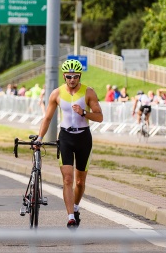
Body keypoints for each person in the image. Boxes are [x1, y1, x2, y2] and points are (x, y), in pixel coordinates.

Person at [36, 59, 102, 228]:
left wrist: (84, 112)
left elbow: (100, 117)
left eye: (75, 76)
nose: (72, 80)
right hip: (65, 137)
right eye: (69, 76)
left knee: (80, 182)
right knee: (67, 179)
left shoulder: (89, 92)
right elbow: (48, 118)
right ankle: (70, 217)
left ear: (79, 76)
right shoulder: (56, 94)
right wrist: (39, 138)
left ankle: (76, 207)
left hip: (83, 138)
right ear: (64, 76)